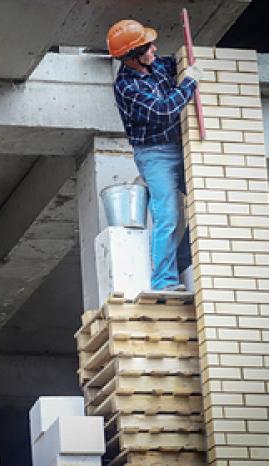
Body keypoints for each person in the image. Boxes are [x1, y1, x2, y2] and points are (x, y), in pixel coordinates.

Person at [107, 19, 202, 292]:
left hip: (178, 145)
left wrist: (190, 63)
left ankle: (184, 261)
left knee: (204, 201)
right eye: (148, 47)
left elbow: (175, 63)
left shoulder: (155, 64)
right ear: (133, 57)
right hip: (154, 155)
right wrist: (190, 83)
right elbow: (163, 111)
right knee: (168, 215)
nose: (155, 49)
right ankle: (164, 280)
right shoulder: (126, 86)